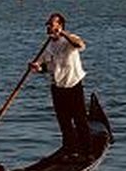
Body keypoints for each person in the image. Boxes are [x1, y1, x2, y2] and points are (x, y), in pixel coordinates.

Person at [32, 12, 91, 156]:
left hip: (74, 85)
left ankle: (87, 150)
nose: (49, 28)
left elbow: (80, 44)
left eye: (52, 25)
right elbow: (46, 67)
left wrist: (63, 34)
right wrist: (37, 68)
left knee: (80, 120)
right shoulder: (47, 47)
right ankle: (70, 149)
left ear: (60, 26)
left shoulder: (70, 40)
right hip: (58, 87)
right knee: (64, 122)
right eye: (48, 25)